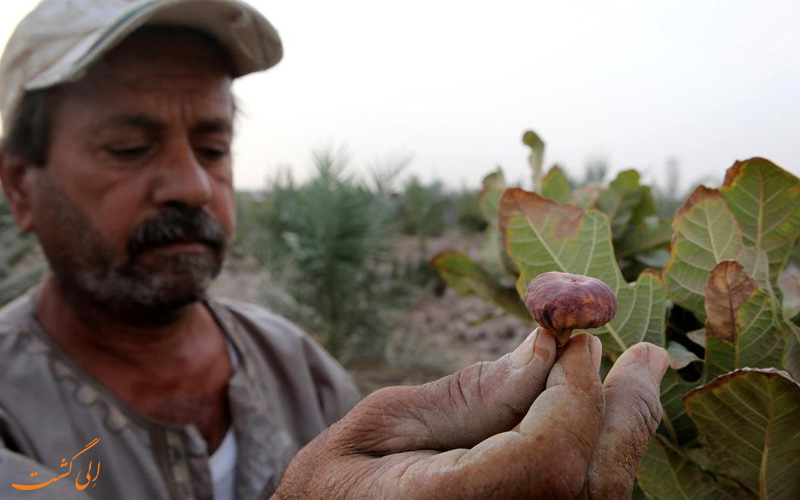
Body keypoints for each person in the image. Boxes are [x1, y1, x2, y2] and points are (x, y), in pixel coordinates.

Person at [0, 1, 669, 499]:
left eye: (213, 147)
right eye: (127, 147)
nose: (193, 185)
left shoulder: (297, 365)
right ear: (19, 187)